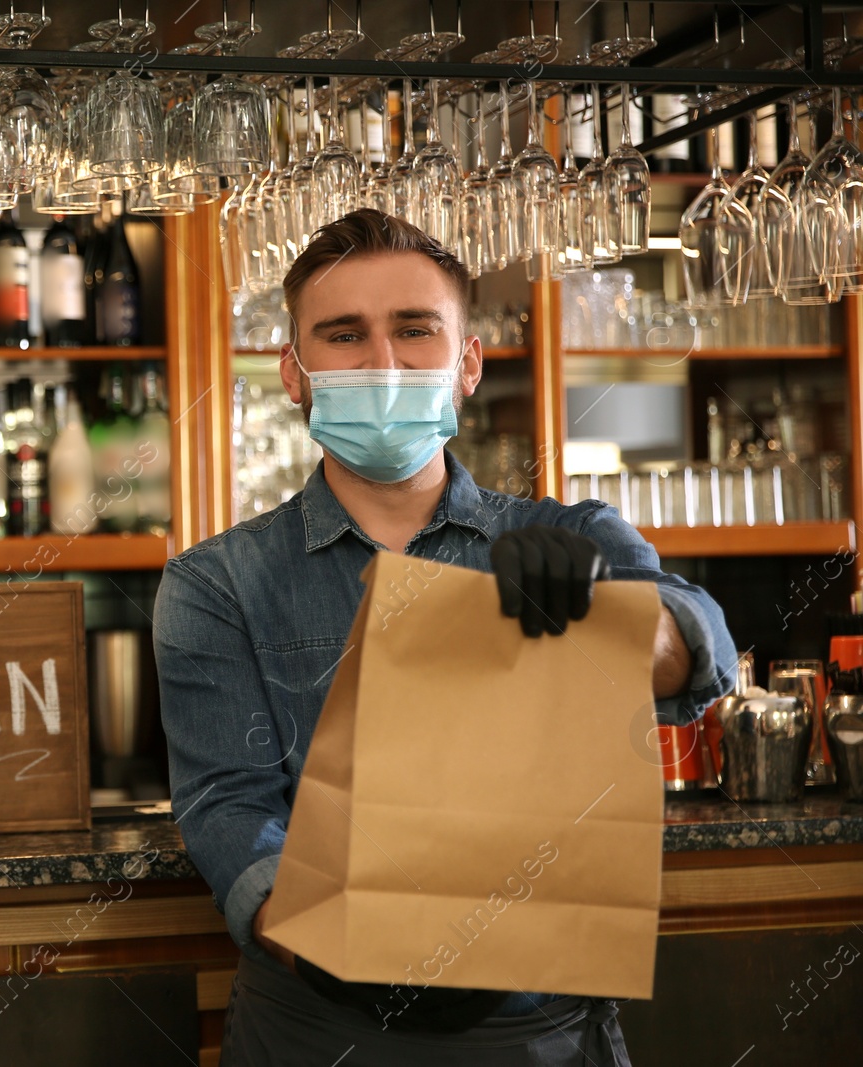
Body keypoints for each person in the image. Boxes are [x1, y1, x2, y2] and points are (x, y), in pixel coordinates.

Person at [153, 210, 736, 1066]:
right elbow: (228, 807)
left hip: (542, 1030)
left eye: (415, 330)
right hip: (319, 1026)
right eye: (344, 335)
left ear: (468, 362)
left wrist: (600, 622)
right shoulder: (216, 584)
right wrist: (333, 945)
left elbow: (698, 648)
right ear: (294, 372)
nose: (383, 363)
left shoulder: (575, 535)